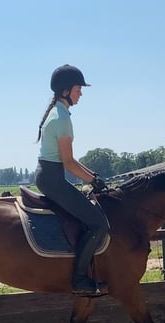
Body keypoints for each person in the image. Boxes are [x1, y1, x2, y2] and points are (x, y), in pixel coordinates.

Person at [34, 64, 109, 297]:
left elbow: (71, 160)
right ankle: (79, 278)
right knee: (98, 224)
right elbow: (68, 163)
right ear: (66, 90)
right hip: (53, 179)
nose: (81, 93)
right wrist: (93, 181)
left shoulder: (58, 112)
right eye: (78, 88)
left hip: (49, 175)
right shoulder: (62, 118)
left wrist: (93, 177)